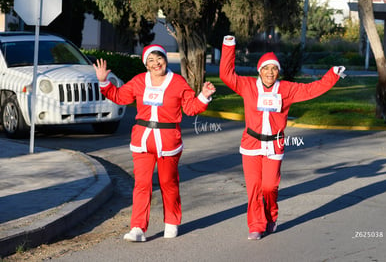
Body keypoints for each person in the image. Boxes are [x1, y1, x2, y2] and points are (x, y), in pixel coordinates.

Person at [219, 36, 346, 240]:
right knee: (253, 187)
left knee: (269, 187)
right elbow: (226, 74)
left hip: (274, 144)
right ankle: (256, 224)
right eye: (266, 68)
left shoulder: (286, 89)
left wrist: (332, 75)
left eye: (274, 69)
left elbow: (312, 89)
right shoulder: (247, 85)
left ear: (278, 71)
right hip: (251, 144)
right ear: (259, 70)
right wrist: (228, 45)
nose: (270, 73)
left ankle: (271, 216)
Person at [94, 44, 216, 242]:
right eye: (151, 60)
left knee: (168, 182)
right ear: (146, 65)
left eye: (159, 58)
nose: (156, 63)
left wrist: (204, 96)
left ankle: (172, 222)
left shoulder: (177, 82)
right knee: (142, 185)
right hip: (142, 140)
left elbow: (191, 108)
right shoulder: (139, 81)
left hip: (168, 141)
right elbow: (120, 96)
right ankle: (138, 228)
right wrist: (103, 82)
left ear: (165, 60)